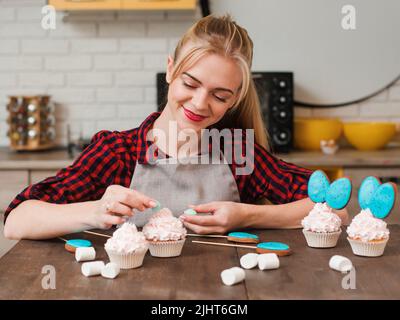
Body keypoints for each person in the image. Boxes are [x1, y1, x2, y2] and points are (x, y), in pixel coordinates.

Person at [3, 14, 348, 240]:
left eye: (219, 94)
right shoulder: (116, 153)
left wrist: (245, 215)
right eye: (190, 83)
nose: (200, 103)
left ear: (235, 98)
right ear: (170, 70)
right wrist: (95, 210)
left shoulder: (237, 151)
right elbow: (16, 219)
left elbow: (335, 207)